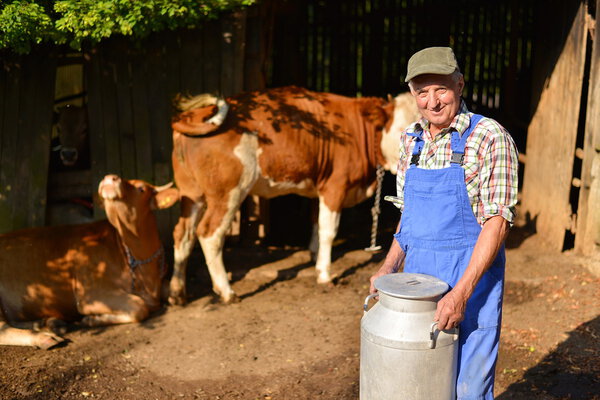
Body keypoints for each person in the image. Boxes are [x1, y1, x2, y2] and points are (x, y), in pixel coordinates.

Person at [369, 47, 519, 399]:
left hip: (472, 285)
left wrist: (461, 293)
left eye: (441, 90)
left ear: (460, 85)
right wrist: (388, 269)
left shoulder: (489, 137)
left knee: (467, 390)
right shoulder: (411, 141)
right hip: (419, 292)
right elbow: (409, 216)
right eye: (422, 92)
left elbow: (498, 222)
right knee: (418, 386)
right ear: (412, 95)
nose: (432, 102)